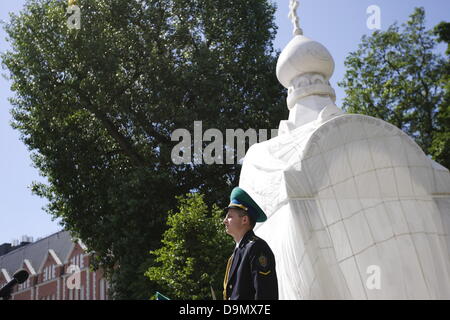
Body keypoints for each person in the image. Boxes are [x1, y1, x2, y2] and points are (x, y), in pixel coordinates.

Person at [222, 187, 278, 300]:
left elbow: (265, 295)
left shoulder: (257, 247)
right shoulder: (239, 250)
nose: (224, 220)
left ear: (244, 220)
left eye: (229, 216)